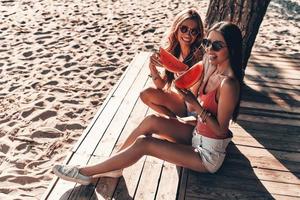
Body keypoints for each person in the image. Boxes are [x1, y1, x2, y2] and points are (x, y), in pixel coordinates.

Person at [52, 21, 244, 185]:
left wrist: (197, 106)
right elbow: (183, 81)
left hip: (207, 155)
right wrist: (166, 70)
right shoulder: (210, 67)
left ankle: (85, 172)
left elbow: (221, 131)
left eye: (218, 45)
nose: (210, 49)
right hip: (196, 134)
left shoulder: (229, 84)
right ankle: (113, 165)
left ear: (232, 49)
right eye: (207, 43)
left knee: (145, 144)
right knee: (151, 120)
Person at [140, 8, 205, 118]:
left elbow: (193, 93)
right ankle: (174, 120)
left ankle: (178, 123)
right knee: (145, 94)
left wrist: (182, 73)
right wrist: (152, 68)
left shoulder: (200, 57)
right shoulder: (174, 52)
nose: (188, 34)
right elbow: (162, 86)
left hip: (197, 108)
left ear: (198, 35)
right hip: (182, 104)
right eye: (184, 29)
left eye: (193, 31)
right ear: (176, 29)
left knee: (151, 120)